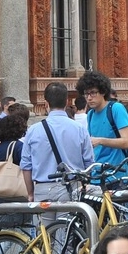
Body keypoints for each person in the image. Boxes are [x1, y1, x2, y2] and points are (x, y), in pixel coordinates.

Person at [21, 83, 97, 228]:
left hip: (42, 189)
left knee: (43, 237)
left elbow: (26, 166)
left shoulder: (33, 131)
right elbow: (89, 163)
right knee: (66, 239)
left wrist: (30, 192)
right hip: (71, 187)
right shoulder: (80, 129)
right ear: (67, 102)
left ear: (46, 103)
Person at [80, 72, 128, 175]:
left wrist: (100, 141)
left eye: (93, 93)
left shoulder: (116, 109)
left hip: (116, 174)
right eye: (86, 94)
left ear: (103, 92)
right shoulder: (90, 114)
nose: (89, 98)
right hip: (96, 174)